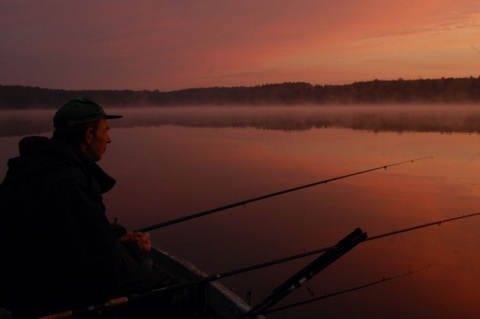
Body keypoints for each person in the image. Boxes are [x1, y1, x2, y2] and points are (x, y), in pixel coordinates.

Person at [0, 98, 182, 319]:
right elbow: (105, 270)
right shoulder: (71, 184)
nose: (109, 139)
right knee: (173, 288)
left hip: (21, 289)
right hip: (52, 297)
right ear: (88, 135)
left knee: (122, 238)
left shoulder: (27, 168)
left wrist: (114, 236)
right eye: (105, 131)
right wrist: (137, 252)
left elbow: (68, 236)